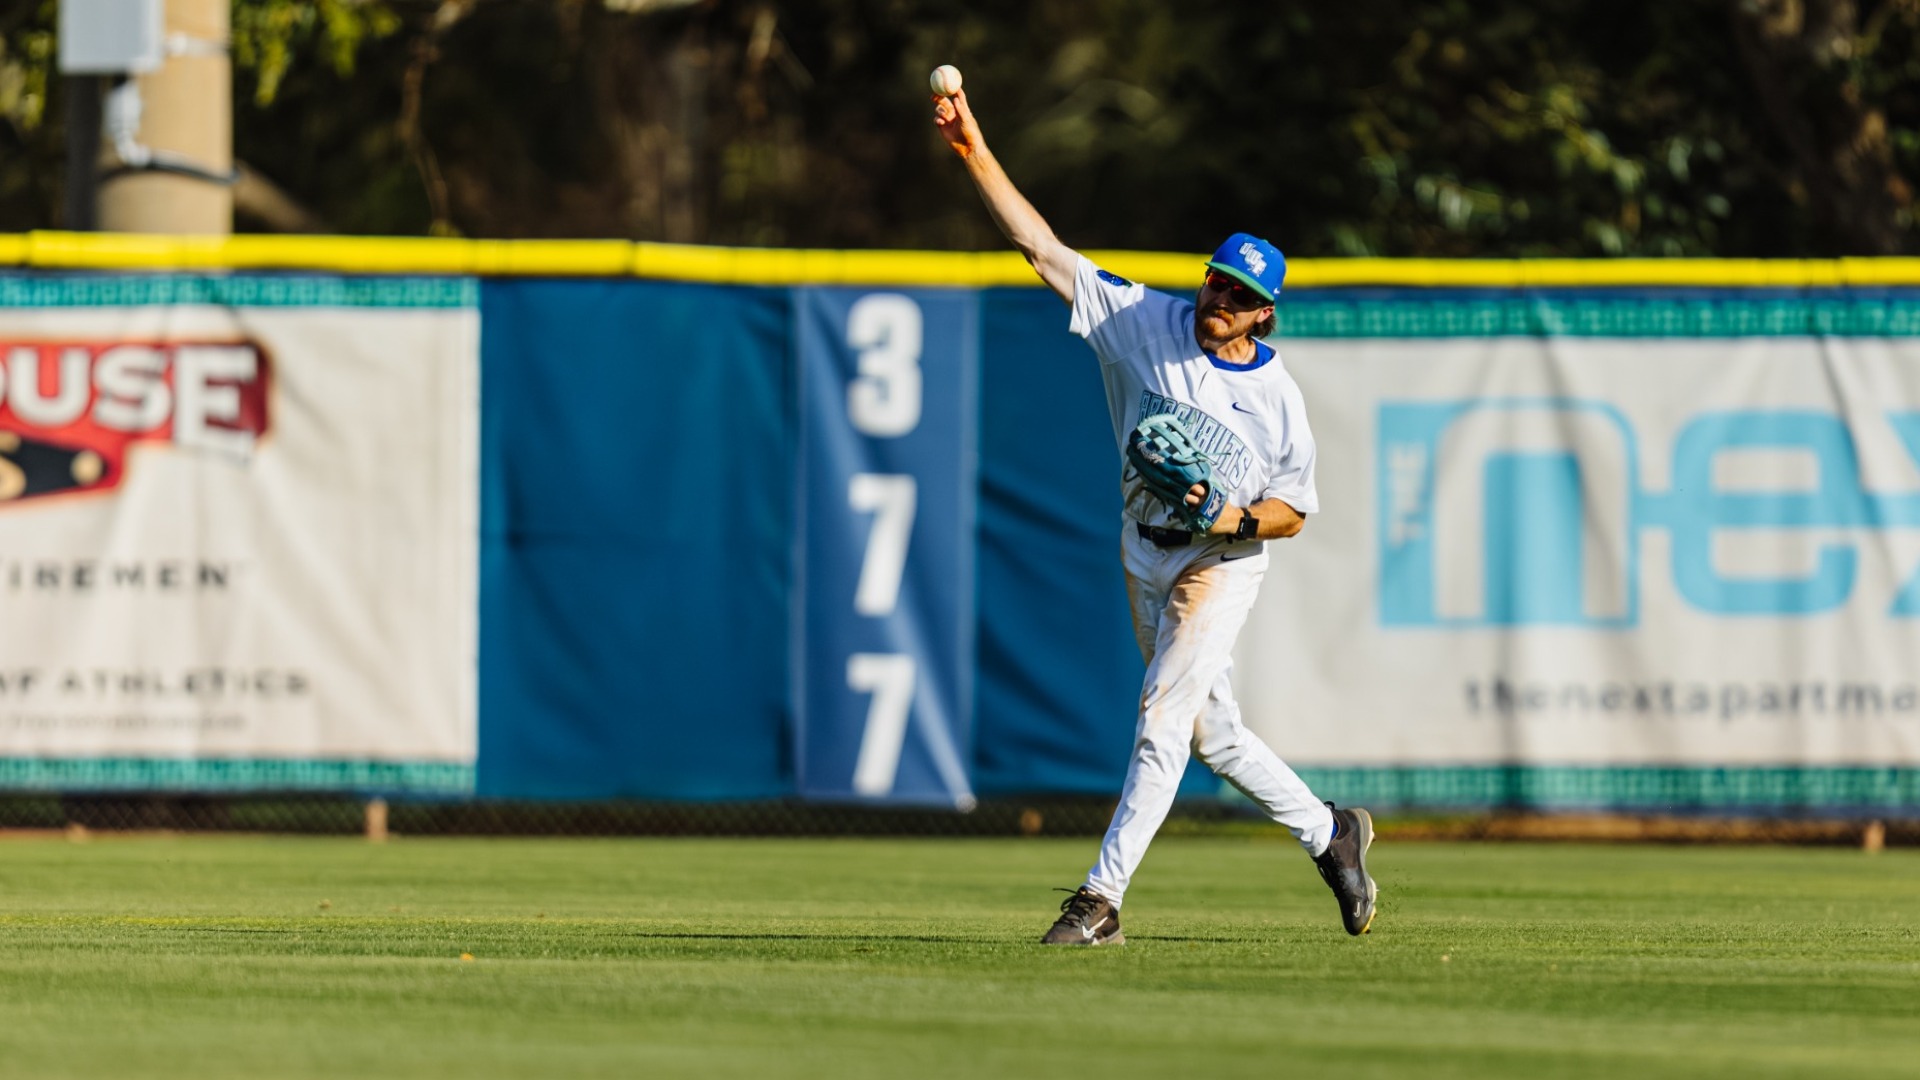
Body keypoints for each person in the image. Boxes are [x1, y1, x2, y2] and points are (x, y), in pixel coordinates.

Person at [933, 86, 1377, 945]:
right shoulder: (1143, 321)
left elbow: (1295, 512)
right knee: (1215, 735)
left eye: (1239, 296)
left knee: (1162, 720)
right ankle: (1333, 834)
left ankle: (1099, 903)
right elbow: (1038, 245)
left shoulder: (1279, 399)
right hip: (1144, 550)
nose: (1219, 302)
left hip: (1221, 566)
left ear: (1264, 313)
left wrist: (1237, 517)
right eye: (1216, 282)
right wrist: (972, 150)